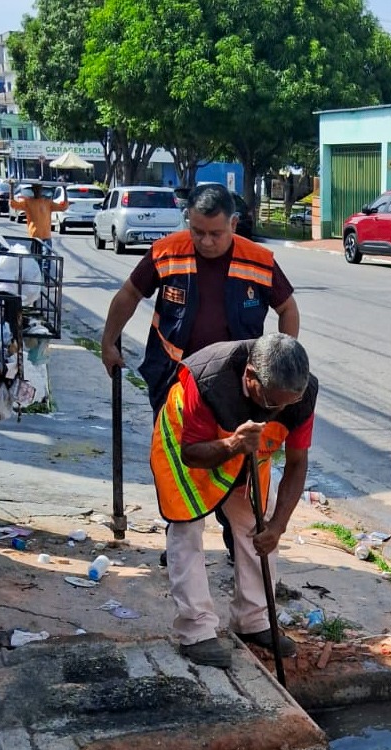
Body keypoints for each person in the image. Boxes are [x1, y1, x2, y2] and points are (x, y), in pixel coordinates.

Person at [100, 183, 301, 564]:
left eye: (216, 233)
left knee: (235, 460)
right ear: (187, 222)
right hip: (174, 379)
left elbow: (288, 309)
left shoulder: (257, 260)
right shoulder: (167, 251)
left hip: (234, 386)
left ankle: (234, 537)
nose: (206, 241)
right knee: (177, 461)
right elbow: (129, 295)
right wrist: (109, 342)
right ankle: (179, 534)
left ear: (234, 225)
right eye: (197, 231)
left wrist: (280, 360)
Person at [151, 332, 317, 669]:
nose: (281, 411)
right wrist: (231, 446)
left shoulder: (301, 393)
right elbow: (191, 453)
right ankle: (196, 630)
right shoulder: (207, 378)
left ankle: (254, 620)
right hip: (190, 448)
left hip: (248, 453)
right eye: (273, 403)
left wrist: (279, 526)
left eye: (288, 404)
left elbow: (297, 464)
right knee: (187, 528)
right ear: (250, 376)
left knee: (258, 525)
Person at [8, 181, 68, 249]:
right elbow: (12, 204)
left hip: (46, 236)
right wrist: (11, 187)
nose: (37, 190)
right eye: (35, 189)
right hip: (34, 236)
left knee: (47, 258)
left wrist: (64, 189)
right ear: (33, 190)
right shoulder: (28, 202)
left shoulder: (47, 202)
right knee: (34, 258)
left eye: (39, 188)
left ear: (41, 189)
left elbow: (63, 207)